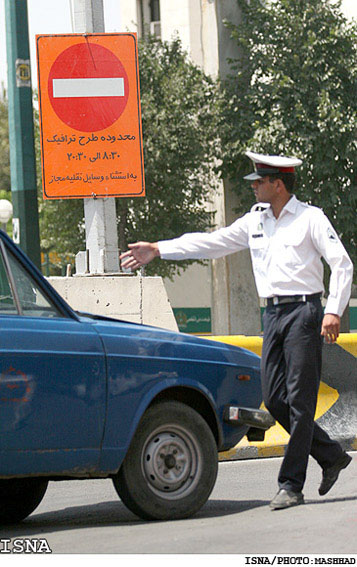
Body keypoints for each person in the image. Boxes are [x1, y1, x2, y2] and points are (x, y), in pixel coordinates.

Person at [120, 150, 353, 510]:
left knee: (301, 402)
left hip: (305, 312)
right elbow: (213, 243)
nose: (254, 187)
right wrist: (158, 249)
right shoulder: (256, 220)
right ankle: (331, 454)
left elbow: (341, 265)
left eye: (259, 181)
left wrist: (333, 311)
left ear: (278, 184)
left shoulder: (311, 219)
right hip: (272, 316)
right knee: (276, 400)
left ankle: (291, 484)